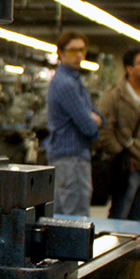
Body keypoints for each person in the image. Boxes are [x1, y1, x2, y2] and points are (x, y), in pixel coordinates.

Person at [96, 47, 140, 221]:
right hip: (128, 169)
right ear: (130, 69)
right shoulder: (115, 96)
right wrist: (121, 155)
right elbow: (104, 129)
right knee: (120, 217)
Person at [46, 30, 103, 217]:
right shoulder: (66, 84)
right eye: (72, 50)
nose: (79, 55)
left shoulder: (74, 80)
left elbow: (96, 116)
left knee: (64, 217)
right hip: (72, 161)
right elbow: (89, 125)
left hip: (70, 159)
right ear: (61, 53)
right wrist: (94, 121)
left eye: (82, 50)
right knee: (76, 219)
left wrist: (94, 119)